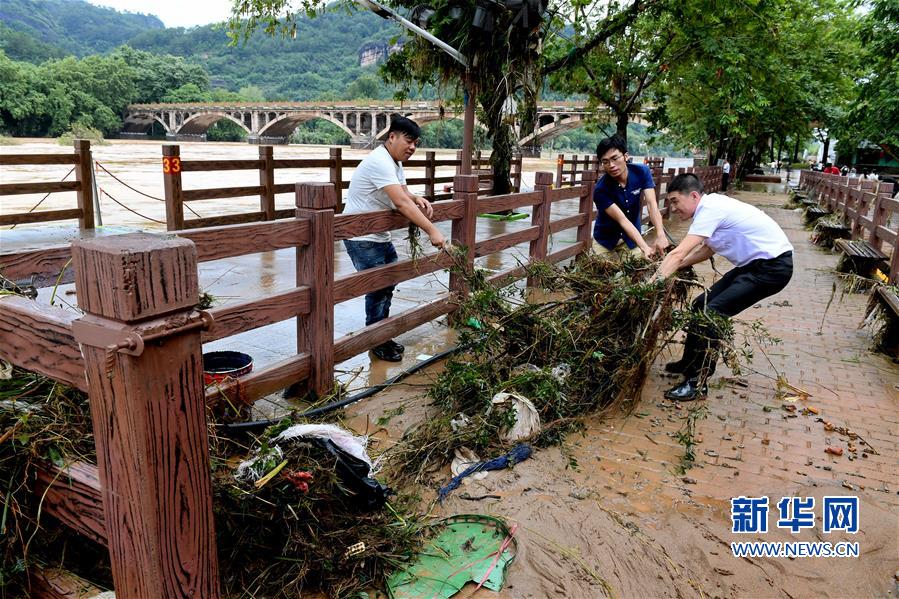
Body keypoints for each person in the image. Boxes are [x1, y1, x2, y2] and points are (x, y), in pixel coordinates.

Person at [652, 173, 794, 401]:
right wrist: (674, 266)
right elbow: (707, 250)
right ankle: (689, 363)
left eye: (676, 201)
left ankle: (698, 383)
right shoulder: (710, 208)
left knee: (713, 313)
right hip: (753, 266)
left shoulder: (710, 209)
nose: (674, 208)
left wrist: (651, 285)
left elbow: (679, 253)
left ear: (694, 196)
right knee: (701, 304)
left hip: (772, 268)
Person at [342, 115, 446, 362]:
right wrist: (432, 230)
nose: (412, 147)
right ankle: (375, 341)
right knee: (378, 289)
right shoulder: (380, 161)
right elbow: (399, 202)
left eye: (416, 143)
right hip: (362, 237)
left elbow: (402, 193)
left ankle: (381, 335)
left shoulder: (394, 162)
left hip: (378, 236)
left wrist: (416, 197)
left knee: (388, 284)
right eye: (408, 141)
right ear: (392, 137)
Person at [592, 134, 669, 258]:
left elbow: (651, 205)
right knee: (602, 274)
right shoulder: (600, 190)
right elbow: (622, 220)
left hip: (630, 239)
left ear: (626, 156)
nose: (611, 165)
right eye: (605, 162)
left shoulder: (642, 172)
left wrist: (660, 234)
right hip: (605, 240)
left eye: (615, 158)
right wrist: (645, 247)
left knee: (639, 270)